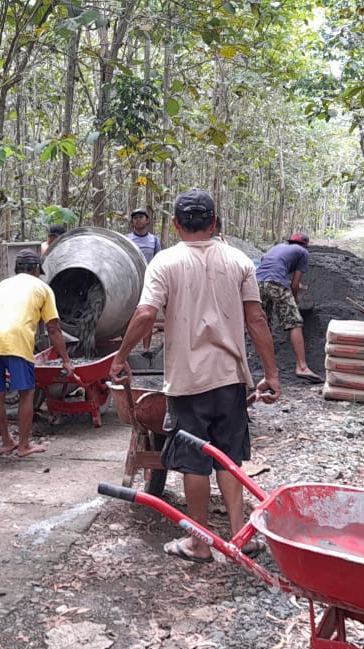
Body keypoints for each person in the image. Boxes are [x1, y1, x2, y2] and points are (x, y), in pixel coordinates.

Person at [110, 189, 280, 563]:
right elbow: (256, 319)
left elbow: (144, 316)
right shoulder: (239, 261)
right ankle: (239, 537)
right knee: (229, 457)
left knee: (193, 460)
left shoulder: (164, 263)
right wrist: (271, 373)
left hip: (188, 381)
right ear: (215, 223)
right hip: (231, 378)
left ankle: (199, 541)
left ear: (174, 225)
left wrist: (121, 357)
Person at [0, 249, 76, 457]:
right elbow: (53, 329)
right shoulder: (42, 288)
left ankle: (6, 442)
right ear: (37, 269)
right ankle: (23, 446)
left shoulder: (2, 285)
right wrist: (66, 360)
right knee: (27, 393)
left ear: (16, 268)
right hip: (17, 340)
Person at [256, 232, 322, 384]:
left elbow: (267, 266)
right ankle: (302, 367)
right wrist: (295, 299)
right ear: (306, 245)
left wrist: (297, 288)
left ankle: (268, 367)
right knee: (294, 322)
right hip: (277, 283)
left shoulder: (277, 248)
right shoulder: (303, 253)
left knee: (264, 325)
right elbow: (294, 284)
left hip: (257, 283)